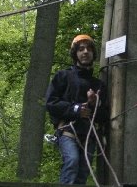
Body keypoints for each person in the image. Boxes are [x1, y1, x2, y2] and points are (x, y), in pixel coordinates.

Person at [45, 34, 109, 185]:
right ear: (75, 54)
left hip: (89, 135)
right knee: (72, 162)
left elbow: (105, 114)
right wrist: (75, 109)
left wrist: (94, 103)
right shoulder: (63, 76)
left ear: (93, 53)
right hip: (68, 131)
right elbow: (51, 102)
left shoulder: (99, 85)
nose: (85, 52)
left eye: (88, 49)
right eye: (81, 49)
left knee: (83, 173)